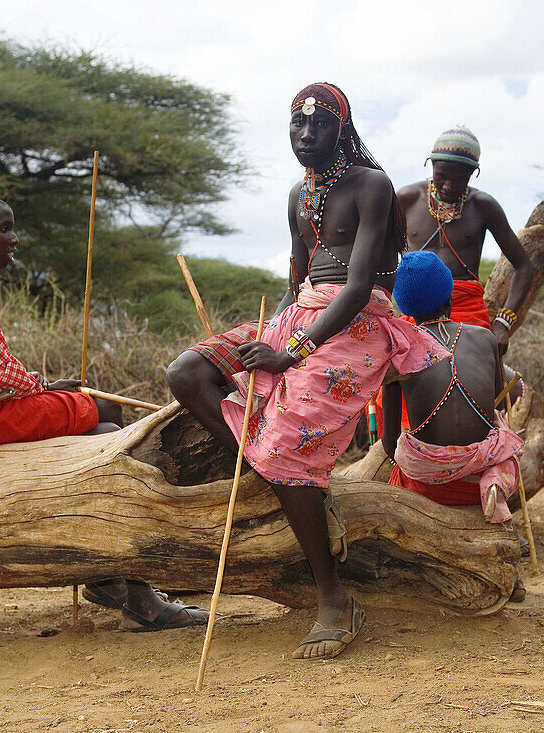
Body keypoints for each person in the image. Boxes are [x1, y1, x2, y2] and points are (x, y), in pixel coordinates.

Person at [167, 83, 448, 660]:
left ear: (341, 130)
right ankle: (270, 474)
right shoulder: (297, 193)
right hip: (300, 318)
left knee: (290, 431)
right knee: (188, 373)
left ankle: (334, 598)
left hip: (358, 323)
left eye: (317, 127)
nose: (304, 137)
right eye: (296, 127)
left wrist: (291, 352)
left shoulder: (372, 186)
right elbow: (297, 278)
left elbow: (361, 286)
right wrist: (272, 337)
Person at [0, 192, 209, 631]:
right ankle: (133, 594)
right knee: (100, 411)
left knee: (102, 426)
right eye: (3, 229)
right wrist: (38, 387)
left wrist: (35, 387)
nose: (14, 239)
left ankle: (112, 582)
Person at [380, 251, 526, 601]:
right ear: (450, 296)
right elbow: (492, 402)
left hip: (428, 482)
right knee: (502, 439)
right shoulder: (484, 337)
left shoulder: (399, 348)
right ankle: (496, 503)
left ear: (406, 308)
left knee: (400, 464)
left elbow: (388, 442)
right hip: (477, 474)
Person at [396, 126, 532, 354]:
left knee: (479, 381)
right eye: (442, 176)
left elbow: (524, 265)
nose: (449, 185)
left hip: (467, 311)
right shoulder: (406, 199)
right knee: (400, 384)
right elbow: (379, 254)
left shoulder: (483, 206)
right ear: (430, 165)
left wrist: (503, 323)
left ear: (473, 174)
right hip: (414, 312)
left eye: (460, 179)